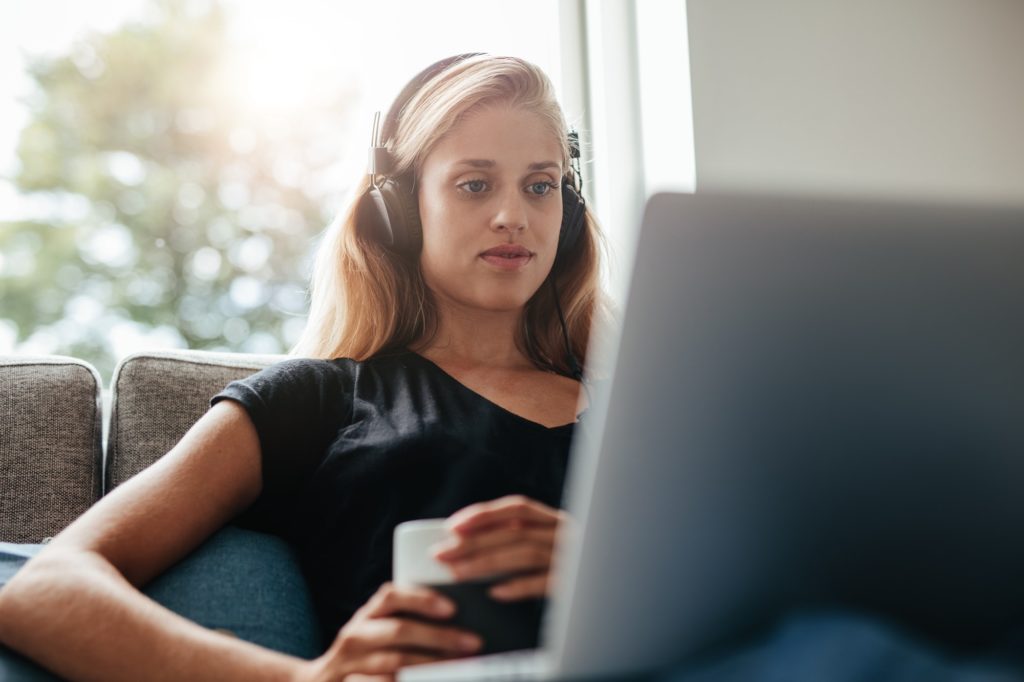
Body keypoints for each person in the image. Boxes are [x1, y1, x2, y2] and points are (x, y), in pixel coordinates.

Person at [0, 53, 608, 681]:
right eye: (475, 184)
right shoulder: (316, 400)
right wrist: (303, 681)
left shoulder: (649, 410)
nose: (514, 215)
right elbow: (45, 588)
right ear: (400, 211)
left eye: (540, 186)